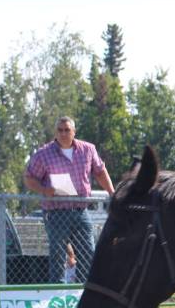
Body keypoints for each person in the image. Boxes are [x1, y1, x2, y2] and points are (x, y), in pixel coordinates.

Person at [24, 116, 115, 284]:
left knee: (88, 252)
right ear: (56, 132)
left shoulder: (88, 149)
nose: (63, 133)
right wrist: (44, 190)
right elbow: (29, 178)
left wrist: (112, 193)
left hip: (81, 211)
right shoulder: (44, 153)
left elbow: (100, 171)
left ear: (74, 132)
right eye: (60, 130)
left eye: (67, 130)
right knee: (58, 256)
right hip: (55, 212)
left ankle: (83, 291)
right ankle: (57, 293)